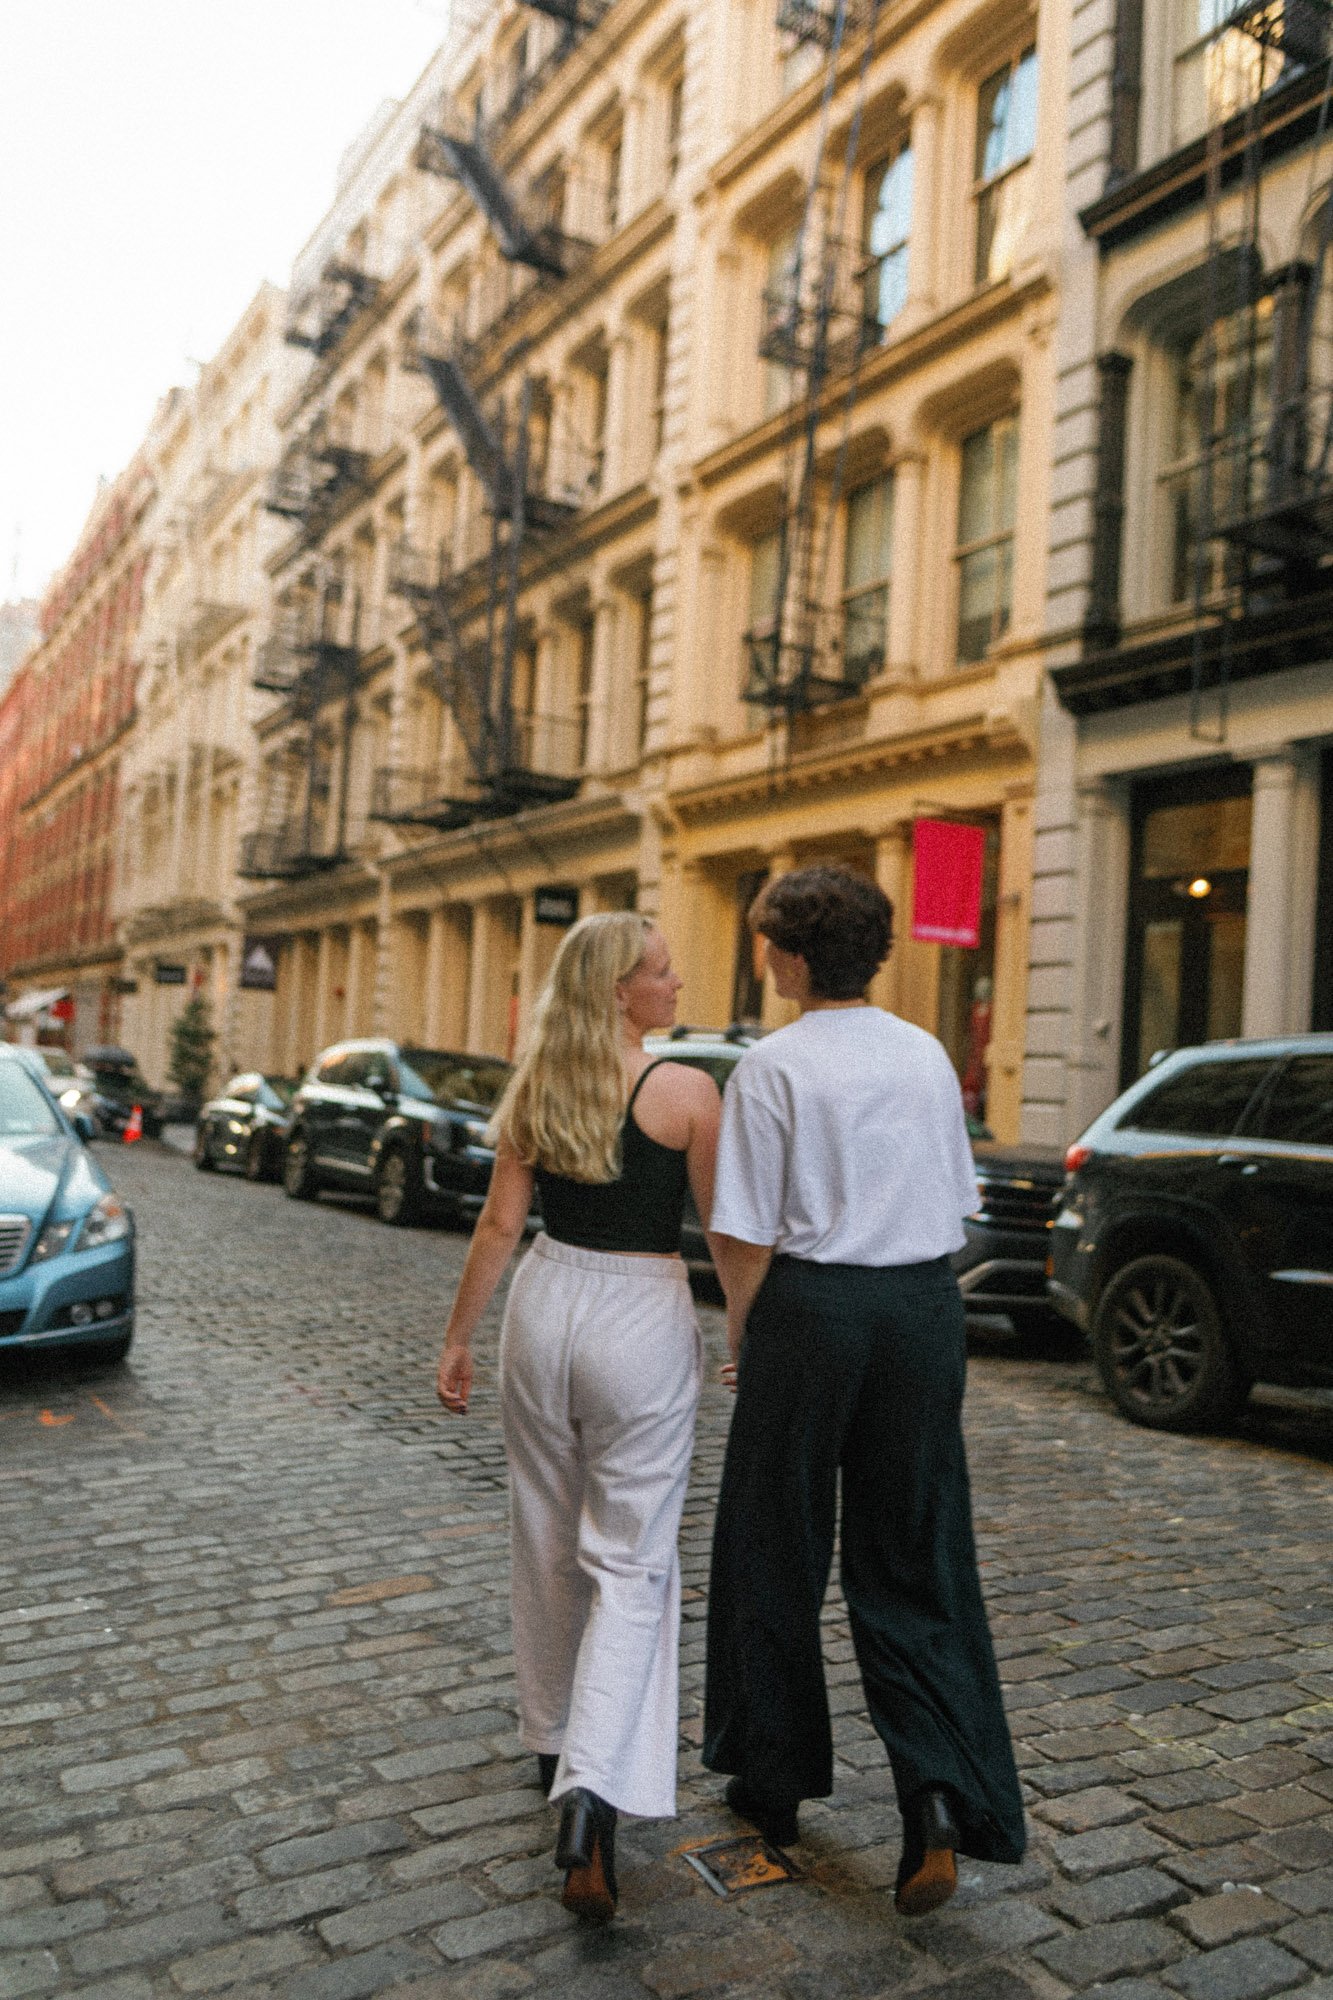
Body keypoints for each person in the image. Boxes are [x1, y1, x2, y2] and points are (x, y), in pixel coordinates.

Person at [703, 864, 1025, 1916]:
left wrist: (749, 1336)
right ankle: (934, 1793)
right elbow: (954, 1198)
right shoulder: (925, 1052)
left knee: (774, 1538)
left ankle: (774, 1777)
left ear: (790, 954)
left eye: (767, 943)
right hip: (922, 1315)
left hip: (813, 1308)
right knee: (914, 1549)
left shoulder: (773, 1064)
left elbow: (743, 1229)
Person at [435, 912, 721, 1921]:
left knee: (546, 1536)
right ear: (616, 989)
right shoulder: (683, 1088)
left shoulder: (538, 1084)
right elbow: (725, 1233)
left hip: (544, 1303)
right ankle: (590, 1794)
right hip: (639, 1308)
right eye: (659, 968)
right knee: (632, 1560)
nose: (675, 981)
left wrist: (459, 1335)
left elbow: (501, 1222)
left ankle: (554, 1733)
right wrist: (753, 1333)